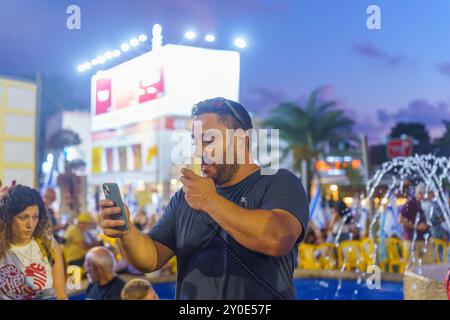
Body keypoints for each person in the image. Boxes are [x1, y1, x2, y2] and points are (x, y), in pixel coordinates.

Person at [100, 97, 309, 300]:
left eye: (209, 140)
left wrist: (211, 201)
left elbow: (277, 238)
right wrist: (126, 231)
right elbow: (152, 257)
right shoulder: (186, 196)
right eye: (196, 142)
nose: (199, 151)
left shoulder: (277, 182)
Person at [0, 185, 67, 300]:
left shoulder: (48, 244)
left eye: (35, 217)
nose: (30, 225)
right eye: (23, 217)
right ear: (8, 217)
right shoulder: (2, 248)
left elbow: (60, 295)